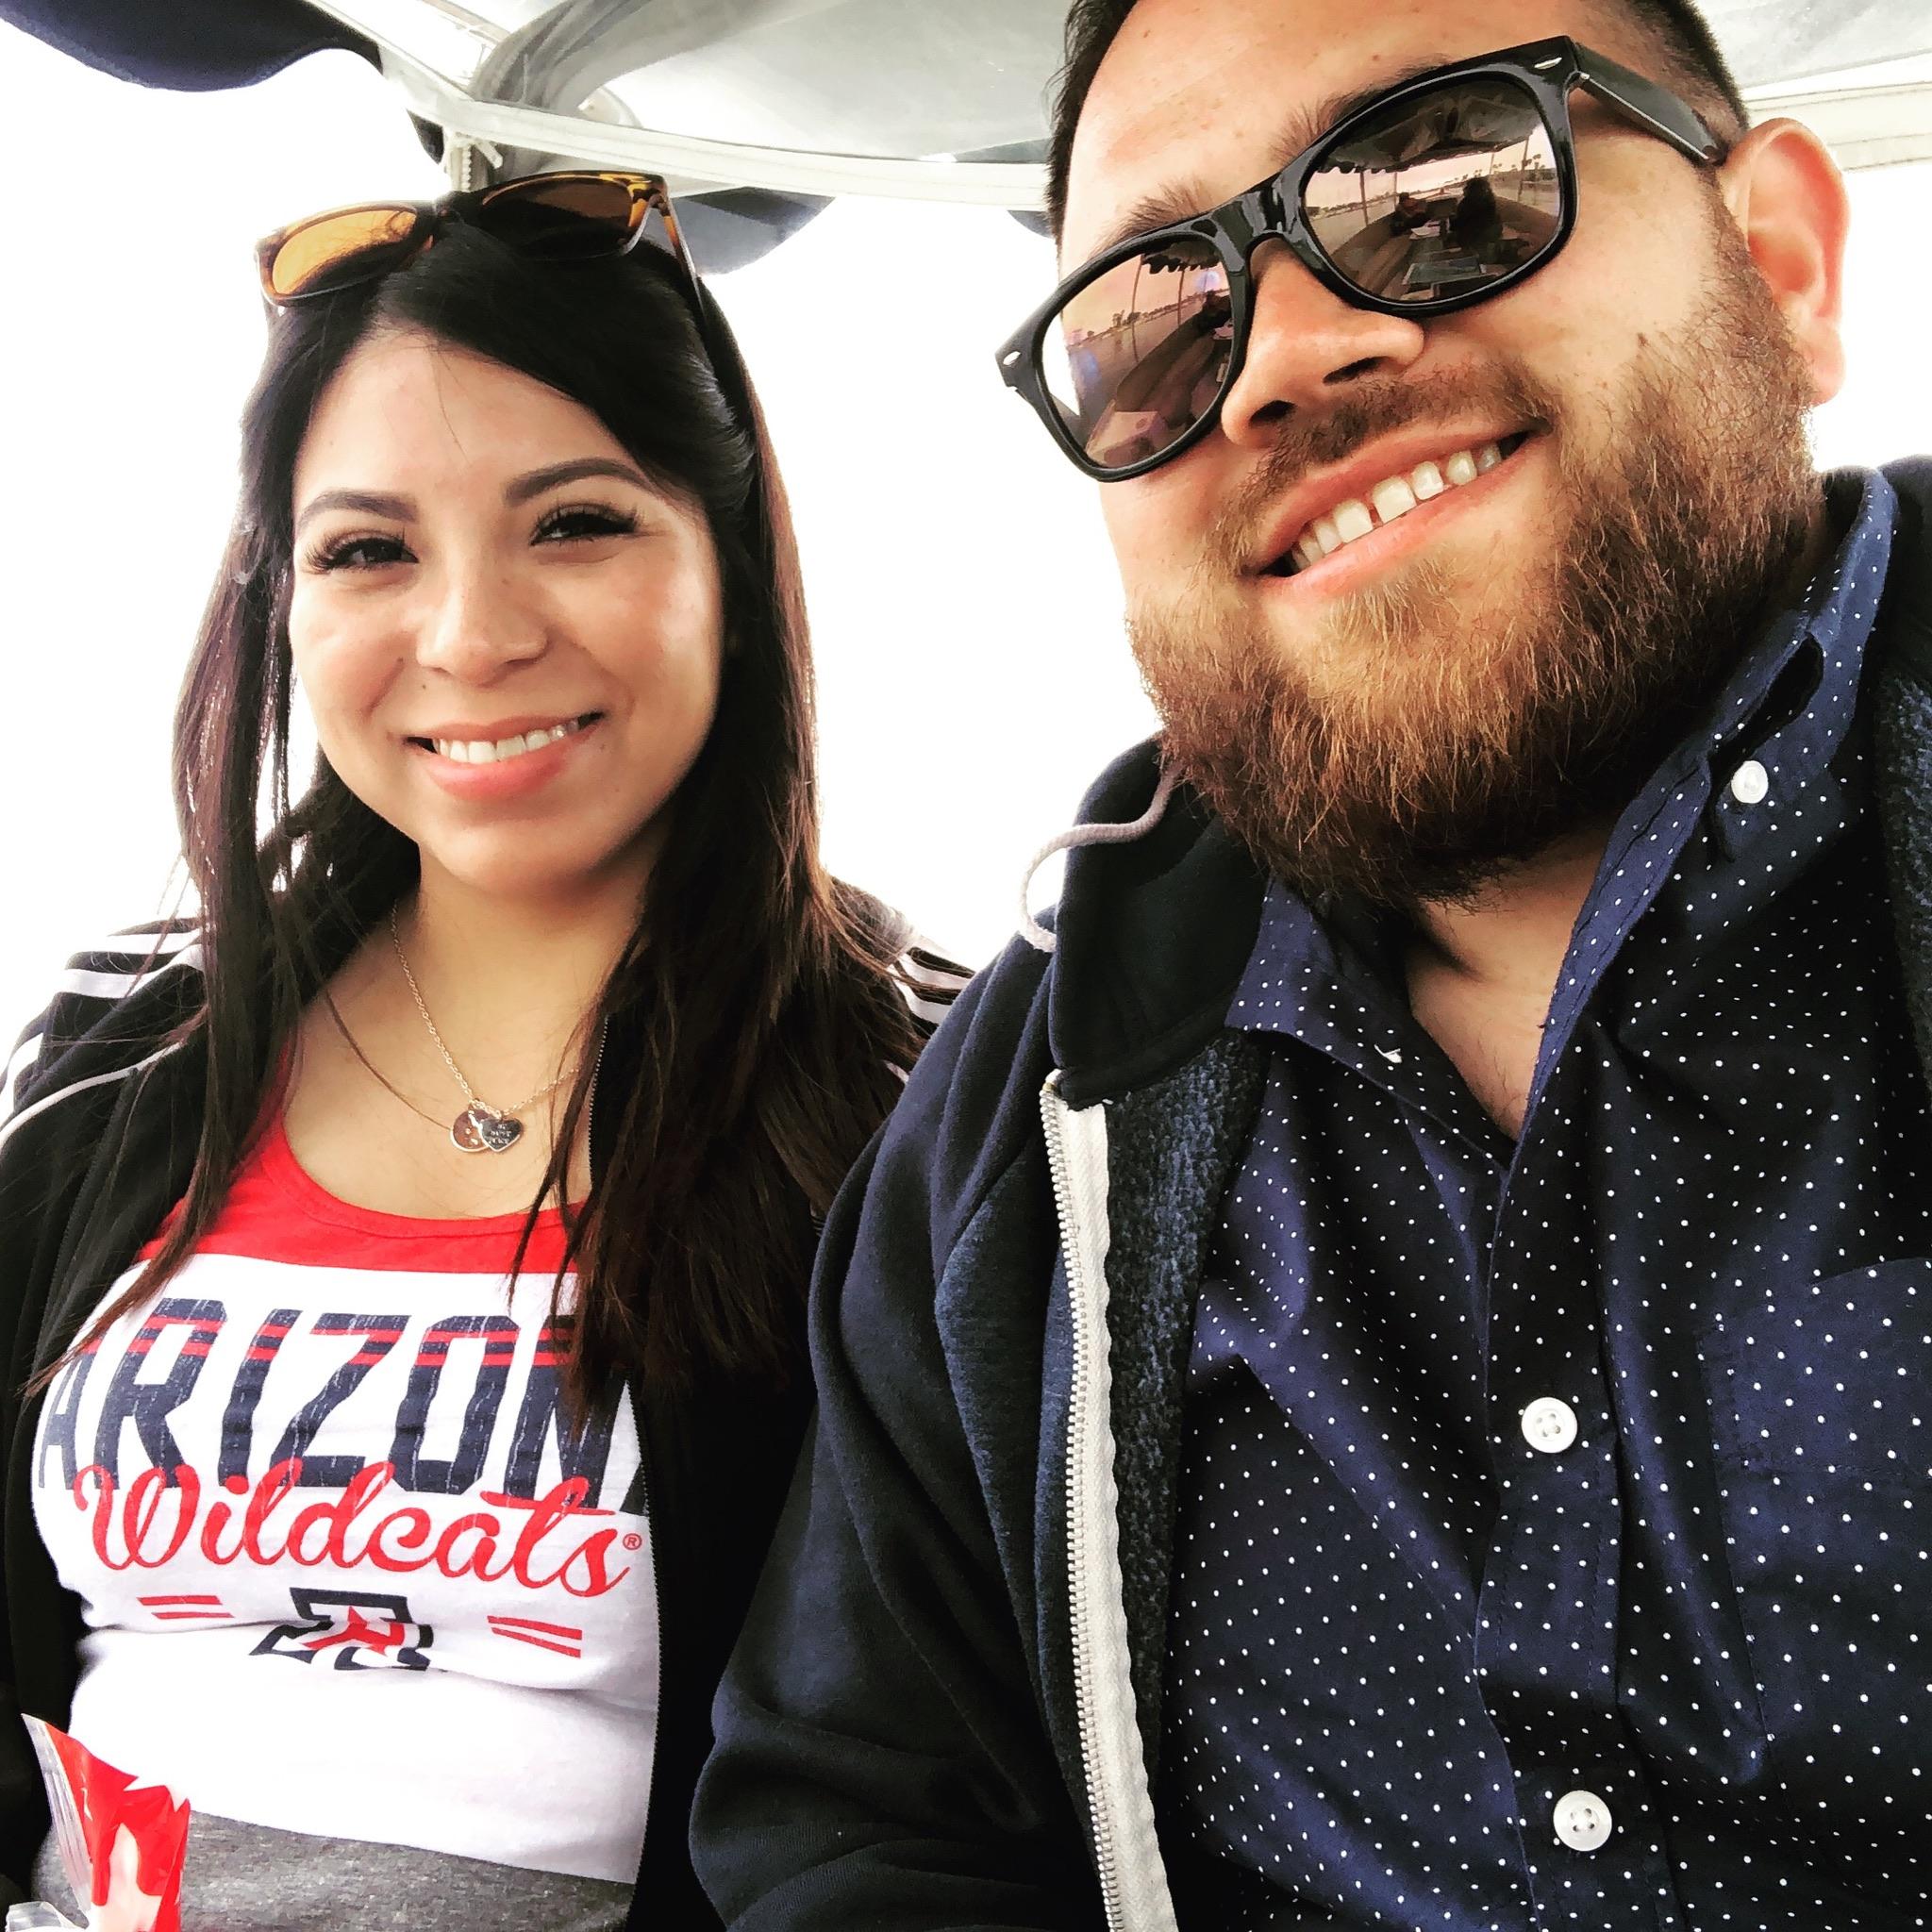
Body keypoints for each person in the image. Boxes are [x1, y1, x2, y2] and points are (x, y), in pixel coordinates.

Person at [692, 1, 1932, 1926]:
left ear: (1777, 263)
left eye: (1444, 183)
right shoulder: (1037, 1103)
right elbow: (858, 1826)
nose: (1279, 356)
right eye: (1151, 323)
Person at [0, 172, 961, 1931]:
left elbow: (940, 1795)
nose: (470, 636)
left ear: (728, 564)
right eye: (368, 549)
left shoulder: (927, 1122)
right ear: (282, 604)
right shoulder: (110, 1087)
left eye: (577, 523)